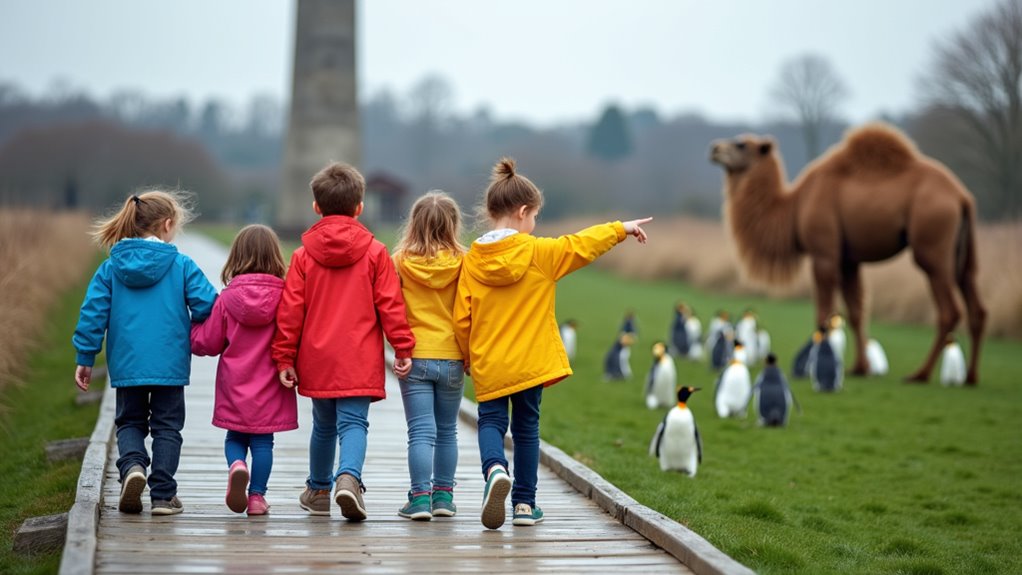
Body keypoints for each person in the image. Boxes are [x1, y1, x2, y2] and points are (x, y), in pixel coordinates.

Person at [454, 158, 652, 529]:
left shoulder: (472, 262)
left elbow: (462, 317)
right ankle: (525, 505)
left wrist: (467, 356)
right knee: (527, 430)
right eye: (535, 218)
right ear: (523, 212)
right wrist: (620, 229)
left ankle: (495, 469)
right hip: (530, 364)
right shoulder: (539, 253)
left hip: (490, 363)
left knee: (491, 423)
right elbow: (580, 245)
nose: (535, 226)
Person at [272, 162, 415, 521]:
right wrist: (402, 347)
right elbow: (391, 304)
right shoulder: (376, 253)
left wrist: (284, 358)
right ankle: (349, 478)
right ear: (360, 207)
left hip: (317, 358)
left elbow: (291, 311)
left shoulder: (303, 256)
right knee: (354, 424)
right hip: (359, 357)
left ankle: (319, 489)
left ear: (316, 206)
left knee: (323, 425)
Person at [73, 190, 217, 516]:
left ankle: (133, 468)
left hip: (127, 364)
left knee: (129, 422)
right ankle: (163, 496)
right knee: (167, 427)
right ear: (167, 225)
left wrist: (85, 357)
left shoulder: (111, 268)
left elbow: (92, 313)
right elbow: (208, 304)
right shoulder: (180, 265)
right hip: (169, 363)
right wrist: (194, 329)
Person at [191, 224, 298, 516]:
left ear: (235, 257)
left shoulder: (226, 299)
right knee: (264, 441)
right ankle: (256, 498)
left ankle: (237, 465)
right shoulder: (286, 298)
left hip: (234, 383)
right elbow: (294, 334)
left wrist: (189, 331)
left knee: (235, 437)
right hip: (272, 384)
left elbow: (209, 342)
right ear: (276, 257)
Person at [391, 191, 467, 521]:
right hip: (452, 357)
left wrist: (398, 347)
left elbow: (393, 309)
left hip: (415, 356)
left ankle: (420, 498)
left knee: (421, 432)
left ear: (414, 224)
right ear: (453, 225)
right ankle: (444, 498)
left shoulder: (400, 261)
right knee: (447, 429)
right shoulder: (465, 262)